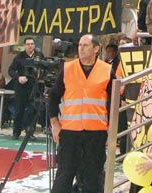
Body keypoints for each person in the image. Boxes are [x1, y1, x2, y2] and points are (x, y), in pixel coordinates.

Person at [49, 34, 119, 193]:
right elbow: (53, 97)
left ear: (96, 48)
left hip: (96, 133)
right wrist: (54, 124)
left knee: (93, 178)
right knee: (64, 176)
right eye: (80, 45)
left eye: (86, 45)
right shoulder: (67, 68)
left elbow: (115, 102)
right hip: (69, 132)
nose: (81, 48)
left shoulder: (107, 70)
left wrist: (111, 130)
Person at [8, 38, 41, 139]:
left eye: (32, 44)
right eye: (28, 44)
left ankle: (29, 132)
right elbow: (11, 70)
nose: (30, 46)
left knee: (33, 110)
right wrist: (18, 77)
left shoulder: (39, 56)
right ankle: (16, 132)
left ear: (34, 45)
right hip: (21, 87)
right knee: (19, 110)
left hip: (34, 87)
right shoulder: (19, 57)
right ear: (24, 46)